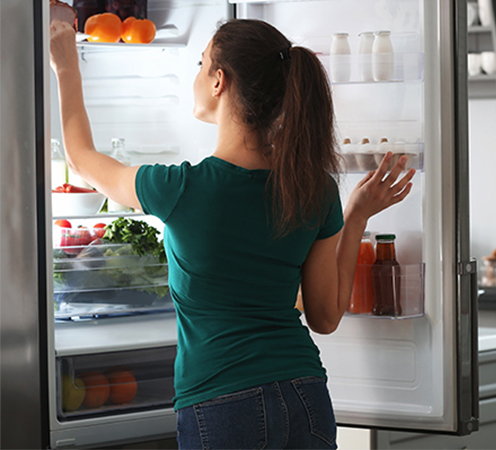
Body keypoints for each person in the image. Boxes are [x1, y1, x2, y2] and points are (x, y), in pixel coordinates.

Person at [50, 18, 415, 450]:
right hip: (305, 395)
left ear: (219, 81)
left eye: (201, 63)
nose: (197, 74)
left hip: (223, 404)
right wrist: (354, 218)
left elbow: (81, 159)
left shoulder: (180, 188)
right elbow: (325, 317)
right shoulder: (314, 188)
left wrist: (67, 65)